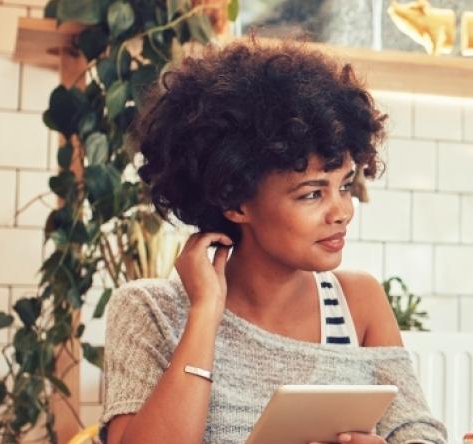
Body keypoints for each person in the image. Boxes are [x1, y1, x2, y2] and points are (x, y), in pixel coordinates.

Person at [99, 39, 445, 444]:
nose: (342, 212)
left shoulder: (358, 303)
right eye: (312, 194)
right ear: (235, 200)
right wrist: (206, 313)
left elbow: (418, 433)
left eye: (345, 186)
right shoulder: (151, 311)